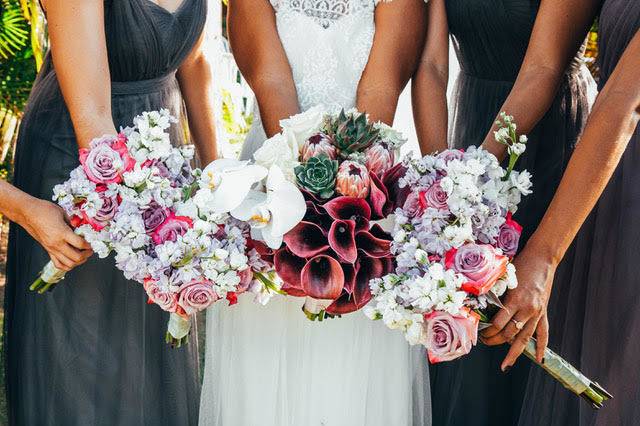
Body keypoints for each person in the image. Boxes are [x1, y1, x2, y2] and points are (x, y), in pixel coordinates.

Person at [198, 1, 431, 425]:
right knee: (266, 385)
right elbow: (272, 86)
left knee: (353, 381)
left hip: (365, 207)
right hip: (271, 205)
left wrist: (346, 208)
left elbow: (380, 96)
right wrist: (303, 211)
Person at [3, 1, 215, 424]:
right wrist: (153, 231)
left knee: (152, 356)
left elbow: (193, 62)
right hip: (81, 167)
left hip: (163, 156)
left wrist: (215, 185)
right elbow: (96, 126)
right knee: (87, 364)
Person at [413, 0, 599, 424]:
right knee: (468, 316)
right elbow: (431, 67)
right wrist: (440, 179)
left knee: (525, 310)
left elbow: (542, 70)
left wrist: (472, 176)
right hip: (473, 132)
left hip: (547, 141)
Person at [512, 2, 639, 424]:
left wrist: (544, 255)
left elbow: (625, 99)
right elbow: (541, 66)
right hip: (602, 186)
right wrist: (465, 177)